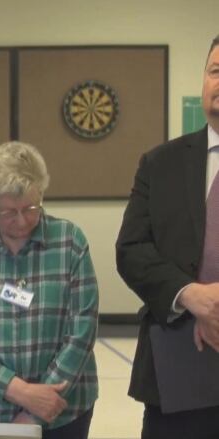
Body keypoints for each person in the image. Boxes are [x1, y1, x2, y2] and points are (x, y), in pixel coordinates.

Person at [116, 34, 219, 438]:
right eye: (215, 71)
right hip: (177, 374)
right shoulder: (161, 164)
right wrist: (191, 296)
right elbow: (131, 250)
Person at [0, 141, 98, 439]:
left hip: (63, 409)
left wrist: (38, 406)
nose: (22, 221)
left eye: (31, 208)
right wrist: (15, 389)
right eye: (9, 212)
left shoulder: (69, 242)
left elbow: (82, 330)